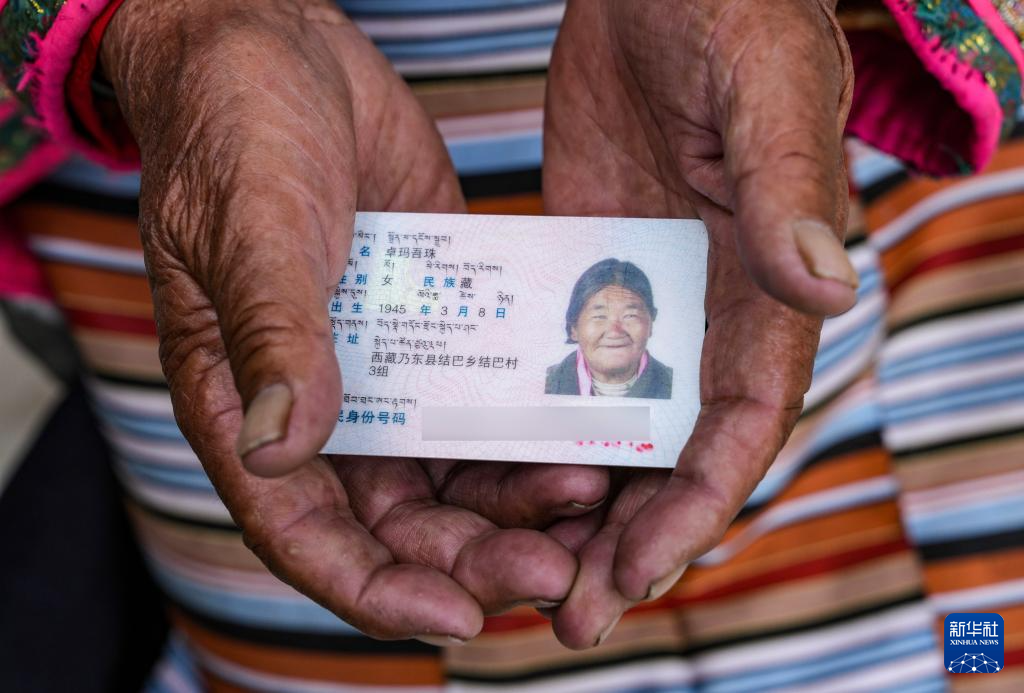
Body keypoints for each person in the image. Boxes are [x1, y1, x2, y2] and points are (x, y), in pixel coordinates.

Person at [1, 0, 1022, 689]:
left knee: (962, 636)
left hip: (799, 129)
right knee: (334, 601)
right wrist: (170, 24)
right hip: (234, 149)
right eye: (599, 315)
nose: (615, 327)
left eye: (627, 316)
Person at [546, 258, 672, 398]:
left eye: (630, 315)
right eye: (599, 316)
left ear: (651, 323)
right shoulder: (546, 384)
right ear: (573, 328)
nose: (615, 332)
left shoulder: (677, 385)